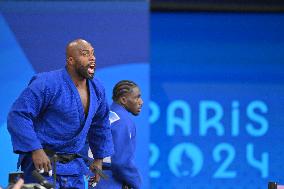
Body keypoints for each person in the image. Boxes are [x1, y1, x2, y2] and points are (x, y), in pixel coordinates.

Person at [7, 39, 114, 188]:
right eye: (85, 54)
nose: (92, 58)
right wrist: (35, 149)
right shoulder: (47, 83)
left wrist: (98, 159)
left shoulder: (97, 88)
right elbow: (18, 115)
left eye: (93, 53)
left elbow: (100, 124)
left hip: (74, 168)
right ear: (70, 60)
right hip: (43, 165)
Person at [94, 80, 143, 189]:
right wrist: (137, 183)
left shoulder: (103, 115)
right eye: (137, 97)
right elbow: (121, 163)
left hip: (92, 180)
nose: (141, 102)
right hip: (110, 182)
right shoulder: (123, 121)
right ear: (123, 100)